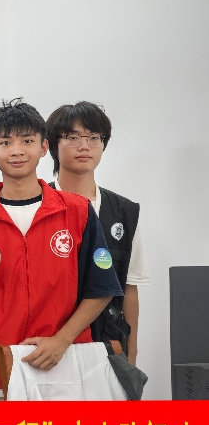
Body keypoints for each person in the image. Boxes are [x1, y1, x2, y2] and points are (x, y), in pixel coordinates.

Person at [0, 98, 124, 400]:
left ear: (44, 147)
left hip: (66, 364)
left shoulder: (78, 211)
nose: (17, 150)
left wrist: (61, 340)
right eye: (5, 142)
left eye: (27, 141)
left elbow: (102, 288)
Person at [46, 102, 149, 365]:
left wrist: (132, 354)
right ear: (53, 145)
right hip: (49, 340)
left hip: (108, 342)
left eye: (94, 137)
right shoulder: (38, 203)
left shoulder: (125, 212)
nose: (84, 146)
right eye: (73, 137)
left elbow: (129, 288)